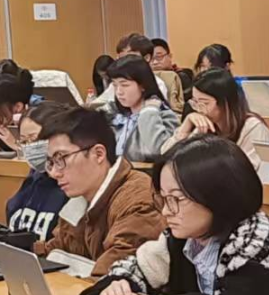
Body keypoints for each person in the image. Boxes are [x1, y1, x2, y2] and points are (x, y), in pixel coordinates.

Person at [79, 136, 269, 295]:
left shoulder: (255, 241)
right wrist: (117, 285)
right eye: (164, 199)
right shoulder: (188, 235)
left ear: (217, 195)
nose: (166, 211)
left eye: (176, 199)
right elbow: (134, 269)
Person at [33, 107, 163, 275]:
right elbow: (56, 249)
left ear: (99, 154)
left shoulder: (139, 200)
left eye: (61, 158)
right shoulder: (81, 198)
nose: (54, 173)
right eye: (51, 162)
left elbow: (113, 275)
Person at [162, 68, 269, 168]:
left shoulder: (252, 127)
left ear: (225, 103)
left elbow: (248, 173)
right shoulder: (204, 124)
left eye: (204, 103)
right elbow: (166, 157)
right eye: (195, 102)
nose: (199, 109)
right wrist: (186, 126)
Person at [3, 102, 68, 242]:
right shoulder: (32, 180)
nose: (30, 147)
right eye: (24, 142)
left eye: (34, 139)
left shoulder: (74, 188)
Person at [103, 55, 179, 162]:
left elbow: (160, 151)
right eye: (115, 85)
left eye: (125, 85)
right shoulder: (114, 113)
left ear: (143, 85)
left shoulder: (163, 115)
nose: (119, 92)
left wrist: (148, 113)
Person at [115, 32, 184, 113]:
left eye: (129, 57)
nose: (124, 63)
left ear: (147, 58)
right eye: (121, 59)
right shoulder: (117, 80)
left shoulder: (157, 84)